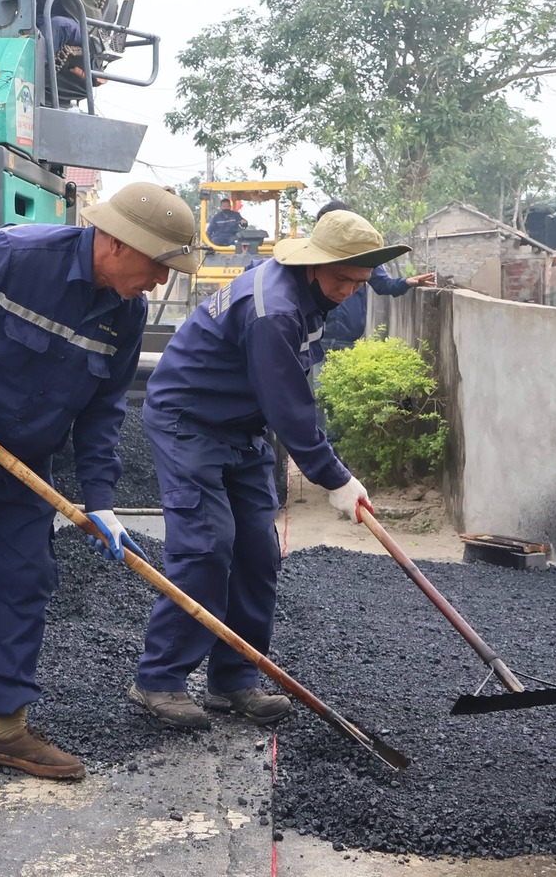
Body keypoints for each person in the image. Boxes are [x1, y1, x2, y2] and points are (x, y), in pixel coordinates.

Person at [0, 183, 200, 794]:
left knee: (20, 580)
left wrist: (100, 498)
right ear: (119, 244)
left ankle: (6, 727)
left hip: (22, 456)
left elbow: (103, 410)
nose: (159, 282)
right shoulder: (19, 256)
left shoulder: (125, 315)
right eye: (158, 265)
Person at [127, 209, 408, 731]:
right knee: (209, 546)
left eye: (360, 281)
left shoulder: (313, 295)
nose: (350, 290)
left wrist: (328, 467)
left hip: (240, 427)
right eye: (343, 278)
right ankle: (159, 679)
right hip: (189, 420)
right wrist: (334, 477)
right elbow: (289, 405)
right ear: (314, 264)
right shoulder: (274, 309)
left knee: (258, 552)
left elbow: (289, 396)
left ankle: (234, 679)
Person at [313, 199, 437, 353]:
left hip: (348, 340)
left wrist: (407, 282)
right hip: (318, 338)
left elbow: (383, 285)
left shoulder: (365, 257)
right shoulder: (315, 257)